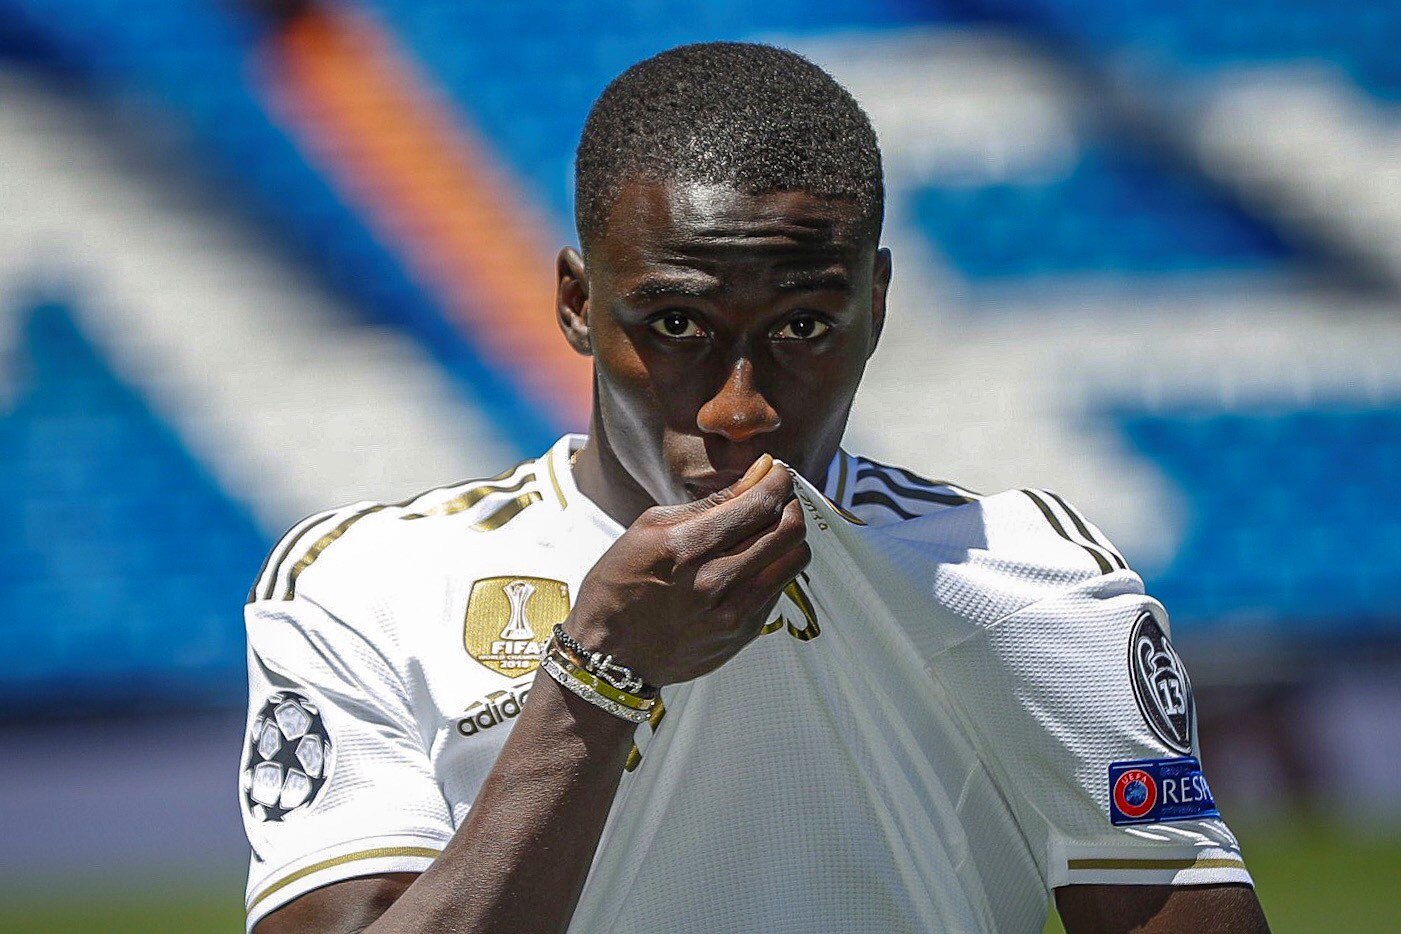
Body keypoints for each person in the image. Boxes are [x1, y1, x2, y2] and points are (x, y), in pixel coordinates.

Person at [239, 42, 1269, 933]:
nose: (741, 408)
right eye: (677, 325)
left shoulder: (1030, 582)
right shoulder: (367, 583)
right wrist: (599, 677)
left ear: (877, 306)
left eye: (804, 327)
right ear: (576, 304)